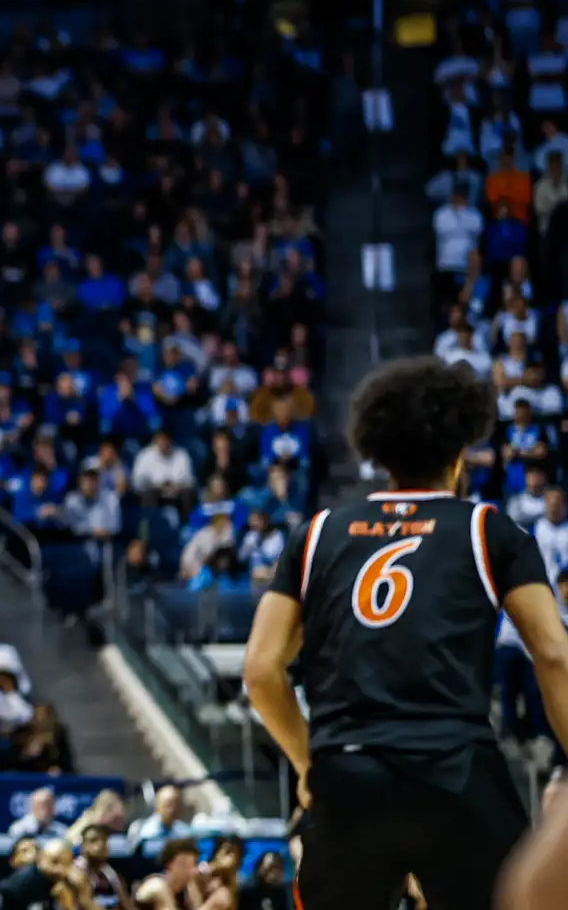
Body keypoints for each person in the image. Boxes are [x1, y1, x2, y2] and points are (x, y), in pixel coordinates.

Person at [244, 356, 568, 910]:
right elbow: (555, 655)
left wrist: (307, 762)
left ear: (377, 450)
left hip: (348, 772)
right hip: (455, 771)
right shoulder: (487, 528)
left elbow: (260, 670)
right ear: (459, 453)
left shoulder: (316, 534)